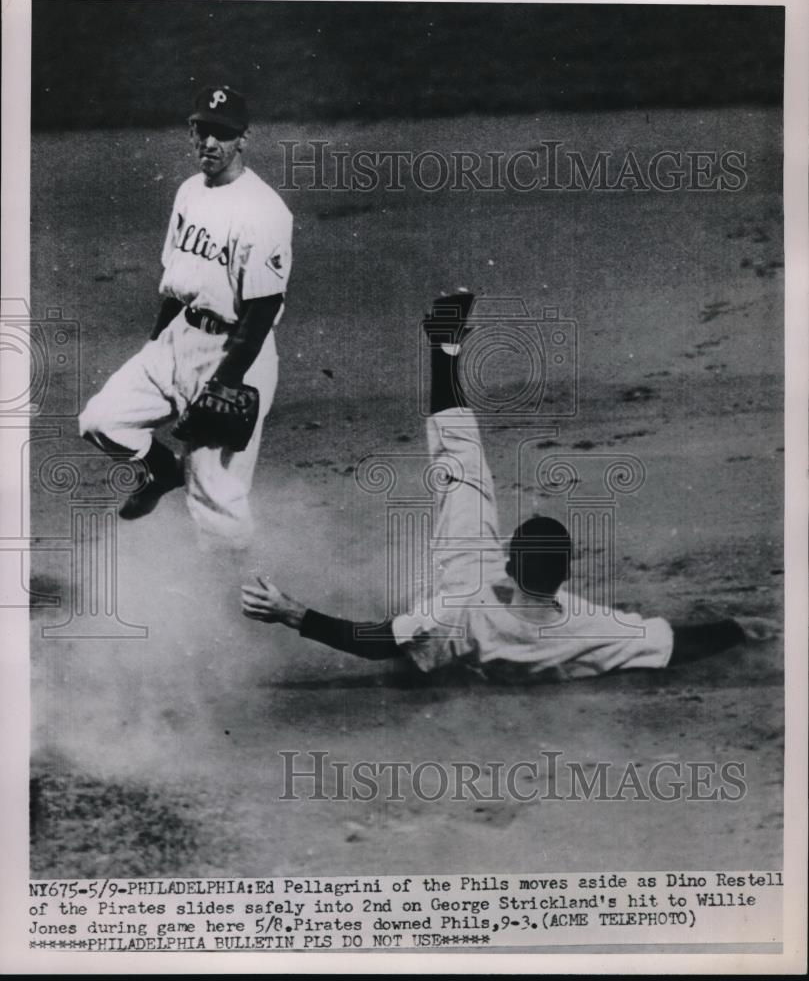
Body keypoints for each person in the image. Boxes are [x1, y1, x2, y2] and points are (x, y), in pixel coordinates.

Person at [242, 292, 768, 681]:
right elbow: (672, 642)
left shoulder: (460, 609)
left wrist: (292, 613)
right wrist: (737, 628)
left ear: (509, 563)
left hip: (462, 616)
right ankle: (445, 345)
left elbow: (377, 642)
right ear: (565, 575)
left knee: (463, 471)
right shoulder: (587, 625)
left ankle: (442, 348)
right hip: (494, 618)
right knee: (464, 473)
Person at [79, 85, 293, 549]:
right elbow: (178, 279)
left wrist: (226, 381)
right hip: (178, 338)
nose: (210, 144)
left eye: (223, 134)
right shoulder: (189, 192)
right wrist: (155, 344)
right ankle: (160, 470)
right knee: (101, 419)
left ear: (243, 138)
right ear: (192, 133)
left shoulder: (264, 210)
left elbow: (262, 309)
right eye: (203, 132)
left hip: (235, 352)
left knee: (215, 498)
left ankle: (231, 608)